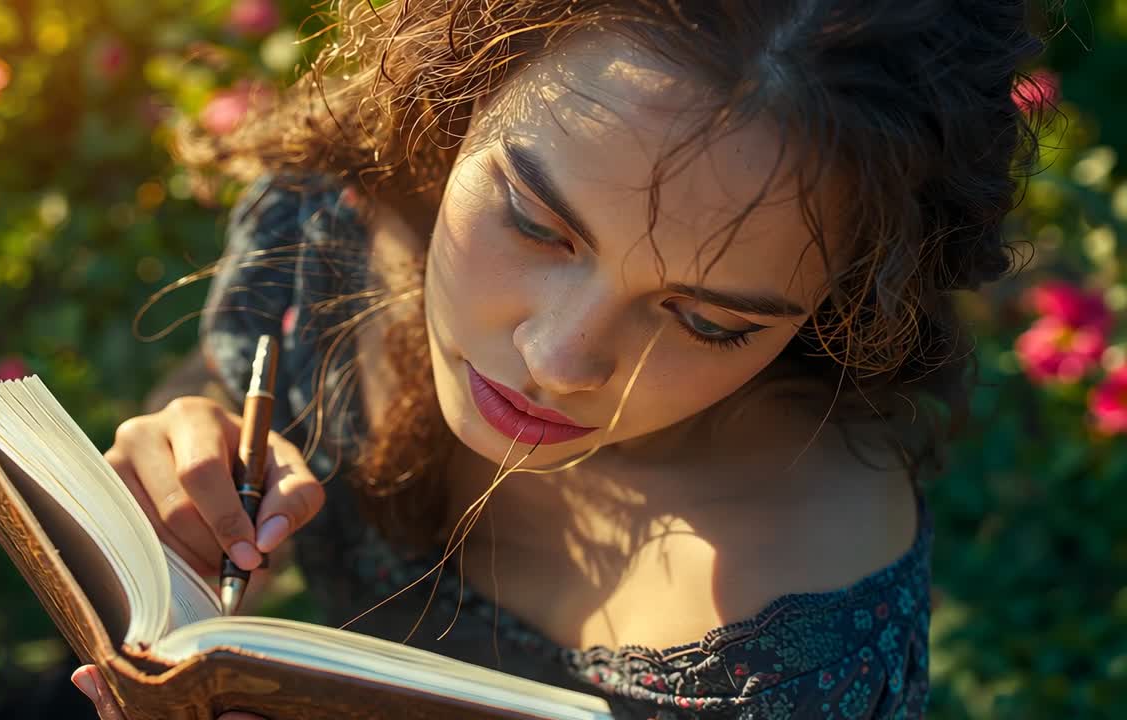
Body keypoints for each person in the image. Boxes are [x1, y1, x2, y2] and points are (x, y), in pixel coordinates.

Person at [70, 0, 1053, 717]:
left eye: (708, 322)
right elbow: (229, 369)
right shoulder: (345, 222)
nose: (556, 357)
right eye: (537, 226)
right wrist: (191, 451)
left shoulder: (788, 622)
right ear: (464, 88)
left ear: (833, 313)